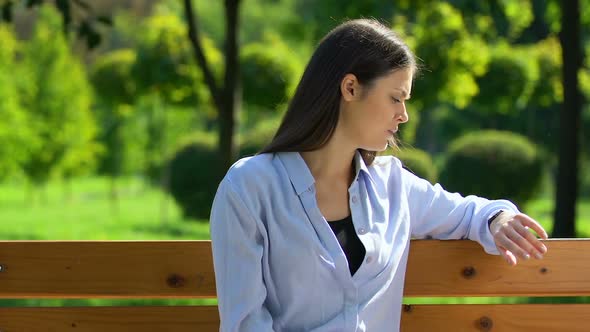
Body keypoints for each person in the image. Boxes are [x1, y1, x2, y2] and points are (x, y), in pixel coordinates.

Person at [209, 18, 549, 332]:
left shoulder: (393, 185)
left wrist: (500, 219)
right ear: (351, 88)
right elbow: (245, 323)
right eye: (396, 98)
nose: (404, 116)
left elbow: (469, 213)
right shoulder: (250, 188)